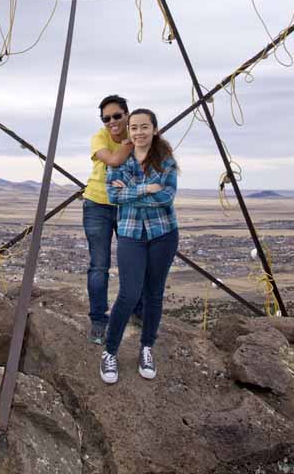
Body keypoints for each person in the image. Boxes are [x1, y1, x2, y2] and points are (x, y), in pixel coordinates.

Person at [99, 108, 178, 384]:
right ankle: (110, 351)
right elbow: (113, 195)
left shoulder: (165, 160)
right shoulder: (120, 160)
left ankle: (147, 348)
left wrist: (130, 192)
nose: (139, 132)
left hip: (163, 234)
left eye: (144, 127)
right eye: (134, 127)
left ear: (154, 129)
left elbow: (166, 197)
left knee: (154, 293)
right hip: (131, 234)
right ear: (129, 131)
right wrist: (145, 188)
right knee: (129, 293)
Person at [82, 95, 142, 344]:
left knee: (134, 262)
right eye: (106, 118)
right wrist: (131, 142)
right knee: (99, 265)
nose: (112, 122)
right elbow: (113, 160)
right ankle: (98, 321)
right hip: (97, 204)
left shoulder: (139, 132)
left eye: (117, 116)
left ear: (127, 114)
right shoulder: (100, 137)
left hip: (127, 204)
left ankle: (138, 313)